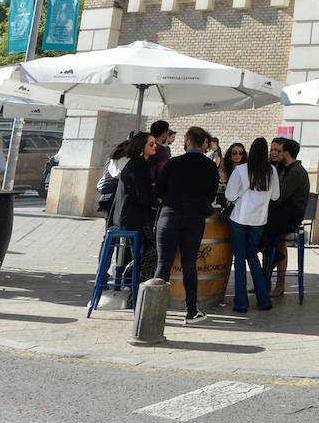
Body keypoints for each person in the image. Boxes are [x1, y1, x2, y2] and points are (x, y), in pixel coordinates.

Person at [153, 126, 220, 324]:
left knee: (163, 264)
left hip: (170, 216)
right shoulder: (210, 167)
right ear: (204, 144)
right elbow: (211, 195)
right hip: (194, 219)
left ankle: (155, 312)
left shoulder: (174, 163)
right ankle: (191, 311)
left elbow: (158, 189)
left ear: (188, 141)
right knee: (189, 264)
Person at [225, 137, 280, 313]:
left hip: (239, 219)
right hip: (259, 220)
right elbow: (275, 196)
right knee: (253, 257)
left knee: (240, 259)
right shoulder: (271, 171)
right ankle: (264, 300)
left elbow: (230, 195)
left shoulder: (241, 170)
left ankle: (241, 303)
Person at [107, 131, 159, 287]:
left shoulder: (134, 163)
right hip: (133, 219)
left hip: (124, 217)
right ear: (141, 147)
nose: (155, 146)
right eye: (151, 144)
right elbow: (143, 198)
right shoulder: (140, 166)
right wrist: (158, 205)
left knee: (156, 242)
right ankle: (133, 275)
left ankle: (133, 274)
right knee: (163, 244)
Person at [262, 138, 309, 296]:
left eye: (279, 150)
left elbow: (279, 197)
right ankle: (265, 280)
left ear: (286, 153)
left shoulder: (294, 171)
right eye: (273, 150)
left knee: (271, 238)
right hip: (281, 213)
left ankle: (277, 282)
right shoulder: (284, 168)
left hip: (288, 216)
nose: (275, 153)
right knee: (264, 234)